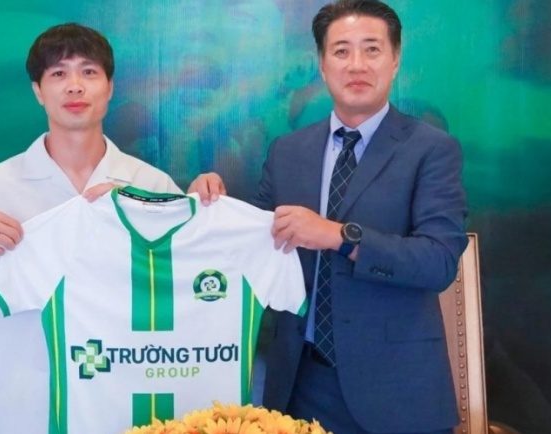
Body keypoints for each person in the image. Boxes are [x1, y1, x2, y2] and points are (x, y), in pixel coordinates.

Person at [189, 1, 468, 433]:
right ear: (322, 64)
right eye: (341, 51)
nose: (356, 64)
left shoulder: (431, 148)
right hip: (301, 385)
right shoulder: (288, 151)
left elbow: (439, 261)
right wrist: (208, 204)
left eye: (372, 49)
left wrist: (341, 236)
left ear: (395, 60)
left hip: (397, 392)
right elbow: (253, 244)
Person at [0, 23, 180, 434]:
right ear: (38, 91)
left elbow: (186, 289)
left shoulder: (149, 185)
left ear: (110, 87)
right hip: (21, 407)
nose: (75, 86)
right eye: (59, 73)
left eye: (89, 72)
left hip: (122, 400)